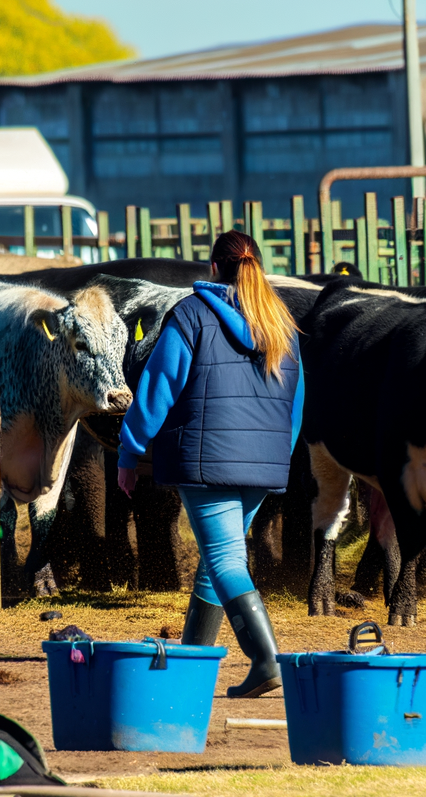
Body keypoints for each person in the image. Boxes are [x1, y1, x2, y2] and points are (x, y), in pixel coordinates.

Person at [115, 229, 303, 698]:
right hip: (264, 463)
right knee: (218, 559)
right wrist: (276, 453)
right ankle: (193, 663)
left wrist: (130, 450)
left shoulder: (191, 315)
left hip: (207, 460)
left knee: (223, 559)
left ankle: (265, 660)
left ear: (214, 269)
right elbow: (296, 402)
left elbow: (158, 387)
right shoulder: (281, 324)